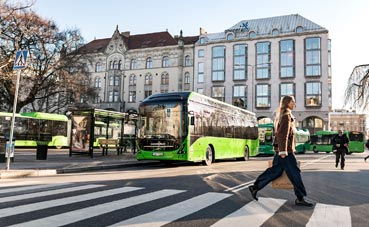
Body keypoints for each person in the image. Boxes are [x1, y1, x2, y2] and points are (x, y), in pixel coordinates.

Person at [248, 95, 313, 207]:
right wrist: (283, 151)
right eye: (293, 102)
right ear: (287, 103)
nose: (294, 104)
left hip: (282, 150)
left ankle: (255, 187)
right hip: (285, 151)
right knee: (295, 173)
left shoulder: (284, 115)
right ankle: (300, 198)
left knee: (275, 171)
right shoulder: (286, 116)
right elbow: (283, 135)